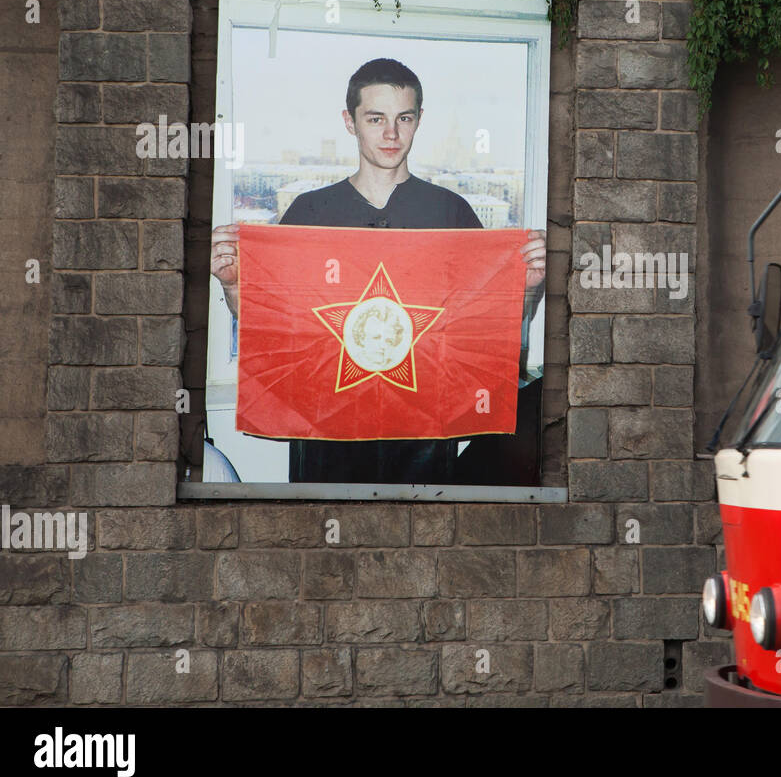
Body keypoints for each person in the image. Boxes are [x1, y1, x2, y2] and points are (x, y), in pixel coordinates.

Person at [210, 57, 546, 483]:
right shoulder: (308, 212)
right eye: (376, 118)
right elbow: (273, 325)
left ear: (419, 120)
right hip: (326, 434)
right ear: (350, 122)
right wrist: (233, 283)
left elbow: (482, 333)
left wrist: (525, 289)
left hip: (423, 437)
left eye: (403, 118)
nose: (391, 133)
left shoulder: (451, 213)